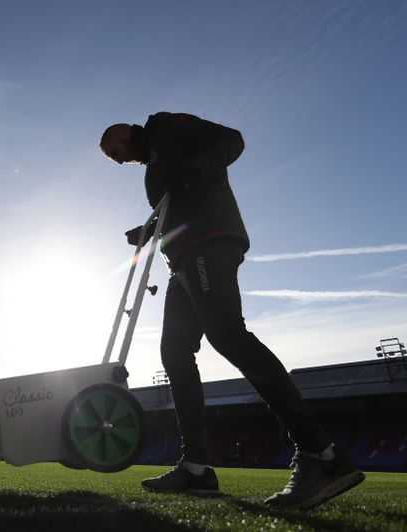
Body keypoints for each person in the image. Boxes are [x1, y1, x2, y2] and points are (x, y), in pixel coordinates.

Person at [99, 112, 364, 510]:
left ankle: (322, 455)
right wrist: (149, 230)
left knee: (227, 334)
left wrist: (193, 168)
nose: (118, 160)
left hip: (211, 242)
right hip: (182, 258)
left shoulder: (170, 128)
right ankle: (197, 468)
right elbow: (178, 205)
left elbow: (232, 139)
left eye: (113, 151)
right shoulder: (155, 160)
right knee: (174, 352)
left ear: (123, 131)